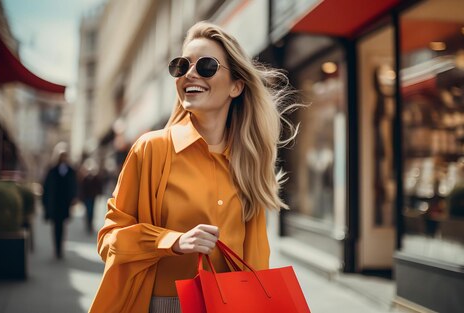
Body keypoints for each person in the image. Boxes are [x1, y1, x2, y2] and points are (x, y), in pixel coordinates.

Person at [89, 21, 298, 313]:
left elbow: (256, 261)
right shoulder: (152, 150)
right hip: (165, 305)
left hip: (232, 305)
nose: (189, 74)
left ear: (236, 86)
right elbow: (108, 240)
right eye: (181, 65)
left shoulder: (248, 161)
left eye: (207, 66)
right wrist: (172, 241)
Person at [42, 145, 78, 259]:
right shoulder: (52, 170)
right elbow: (46, 187)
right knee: (56, 227)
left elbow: (74, 186)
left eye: (64, 156)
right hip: (54, 203)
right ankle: (57, 249)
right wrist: (45, 203)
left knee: (62, 227)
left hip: (64, 204)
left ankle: (60, 248)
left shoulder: (71, 170)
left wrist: (74, 198)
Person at [79, 158, 103, 234]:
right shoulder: (85, 179)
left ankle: (90, 224)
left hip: (92, 197)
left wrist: (99, 193)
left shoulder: (95, 178)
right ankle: (88, 224)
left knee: (92, 211)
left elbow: (99, 187)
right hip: (87, 197)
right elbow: (82, 188)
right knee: (88, 210)